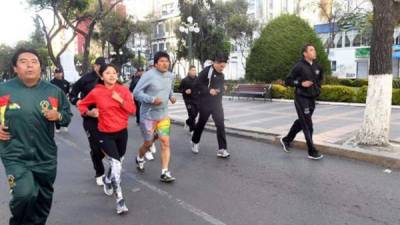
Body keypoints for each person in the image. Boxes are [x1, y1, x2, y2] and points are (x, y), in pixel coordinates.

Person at [0, 48, 72, 225]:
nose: (29, 65)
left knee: (42, 199)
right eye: (23, 62)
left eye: (34, 61)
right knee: (24, 194)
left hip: (45, 155)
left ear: (40, 66)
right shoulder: (4, 90)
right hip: (14, 154)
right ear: (15, 68)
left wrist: (59, 116)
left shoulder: (53, 91)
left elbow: (67, 116)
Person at [78, 63, 135, 214]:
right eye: (108, 73)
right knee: (116, 165)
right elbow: (82, 105)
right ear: (101, 76)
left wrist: (120, 100)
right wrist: (90, 113)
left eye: (114, 73)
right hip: (105, 133)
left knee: (119, 161)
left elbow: (133, 110)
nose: (112, 75)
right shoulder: (96, 92)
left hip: (122, 132)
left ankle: (107, 179)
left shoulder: (123, 90)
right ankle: (120, 200)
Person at [133, 51, 177, 183]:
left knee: (165, 142)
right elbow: (136, 93)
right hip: (148, 116)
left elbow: (169, 88)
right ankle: (140, 157)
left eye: (167, 61)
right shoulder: (148, 75)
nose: (165, 63)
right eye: (162, 61)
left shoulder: (170, 75)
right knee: (148, 143)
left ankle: (164, 172)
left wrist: (171, 96)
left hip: (163, 115)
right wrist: (151, 99)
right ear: (156, 63)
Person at [280, 44, 324, 160]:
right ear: (305, 53)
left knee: (302, 121)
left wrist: (318, 89)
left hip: (311, 98)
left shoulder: (317, 66)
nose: (314, 52)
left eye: (314, 50)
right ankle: (311, 151)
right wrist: (300, 84)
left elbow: (319, 80)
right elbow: (288, 81)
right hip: (301, 98)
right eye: (311, 50)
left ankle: (286, 139)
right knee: (308, 125)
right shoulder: (299, 66)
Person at [69, 57, 107, 186]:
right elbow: (72, 93)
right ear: (95, 66)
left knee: (109, 147)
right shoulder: (85, 79)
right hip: (90, 118)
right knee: (96, 147)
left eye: (104, 66)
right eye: (99, 66)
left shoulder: (108, 78)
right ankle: (99, 172)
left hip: (108, 119)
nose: (101, 69)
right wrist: (77, 102)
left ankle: (109, 166)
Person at [191, 53, 230, 158]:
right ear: (215, 63)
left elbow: (220, 88)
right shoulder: (206, 71)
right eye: (221, 66)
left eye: (224, 66)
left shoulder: (222, 75)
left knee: (220, 124)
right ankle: (195, 141)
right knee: (201, 124)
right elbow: (196, 85)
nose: (223, 68)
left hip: (217, 104)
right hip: (205, 103)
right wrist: (209, 90)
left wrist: (222, 89)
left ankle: (222, 149)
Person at [129, 67, 157, 161]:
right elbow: (134, 91)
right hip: (145, 107)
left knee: (157, 133)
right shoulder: (139, 80)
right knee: (149, 133)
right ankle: (147, 151)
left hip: (158, 110)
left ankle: (151, 143)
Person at [179, 65, 199, 134]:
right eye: (193, 70)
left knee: (195, 114)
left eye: (195, 70)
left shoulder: (198, 79)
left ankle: (187, 122)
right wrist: (185, 91)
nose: (194, 72)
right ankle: (192, 130)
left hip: (197, 100)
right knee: (192, 114)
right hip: (188, 100)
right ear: (189, 71)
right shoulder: (185, 80)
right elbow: (180, 89)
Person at [50, 67, 70, 133]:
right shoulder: (51, 82)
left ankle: (65, 125)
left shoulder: (66, 82)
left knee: (65, 112)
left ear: (62, 73)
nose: (58, 74)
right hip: (54, 100)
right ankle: (57, 126)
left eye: (60, 73)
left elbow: (68, 91)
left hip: (64, 100)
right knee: (56, 113)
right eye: (57, 73)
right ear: (54, 74)